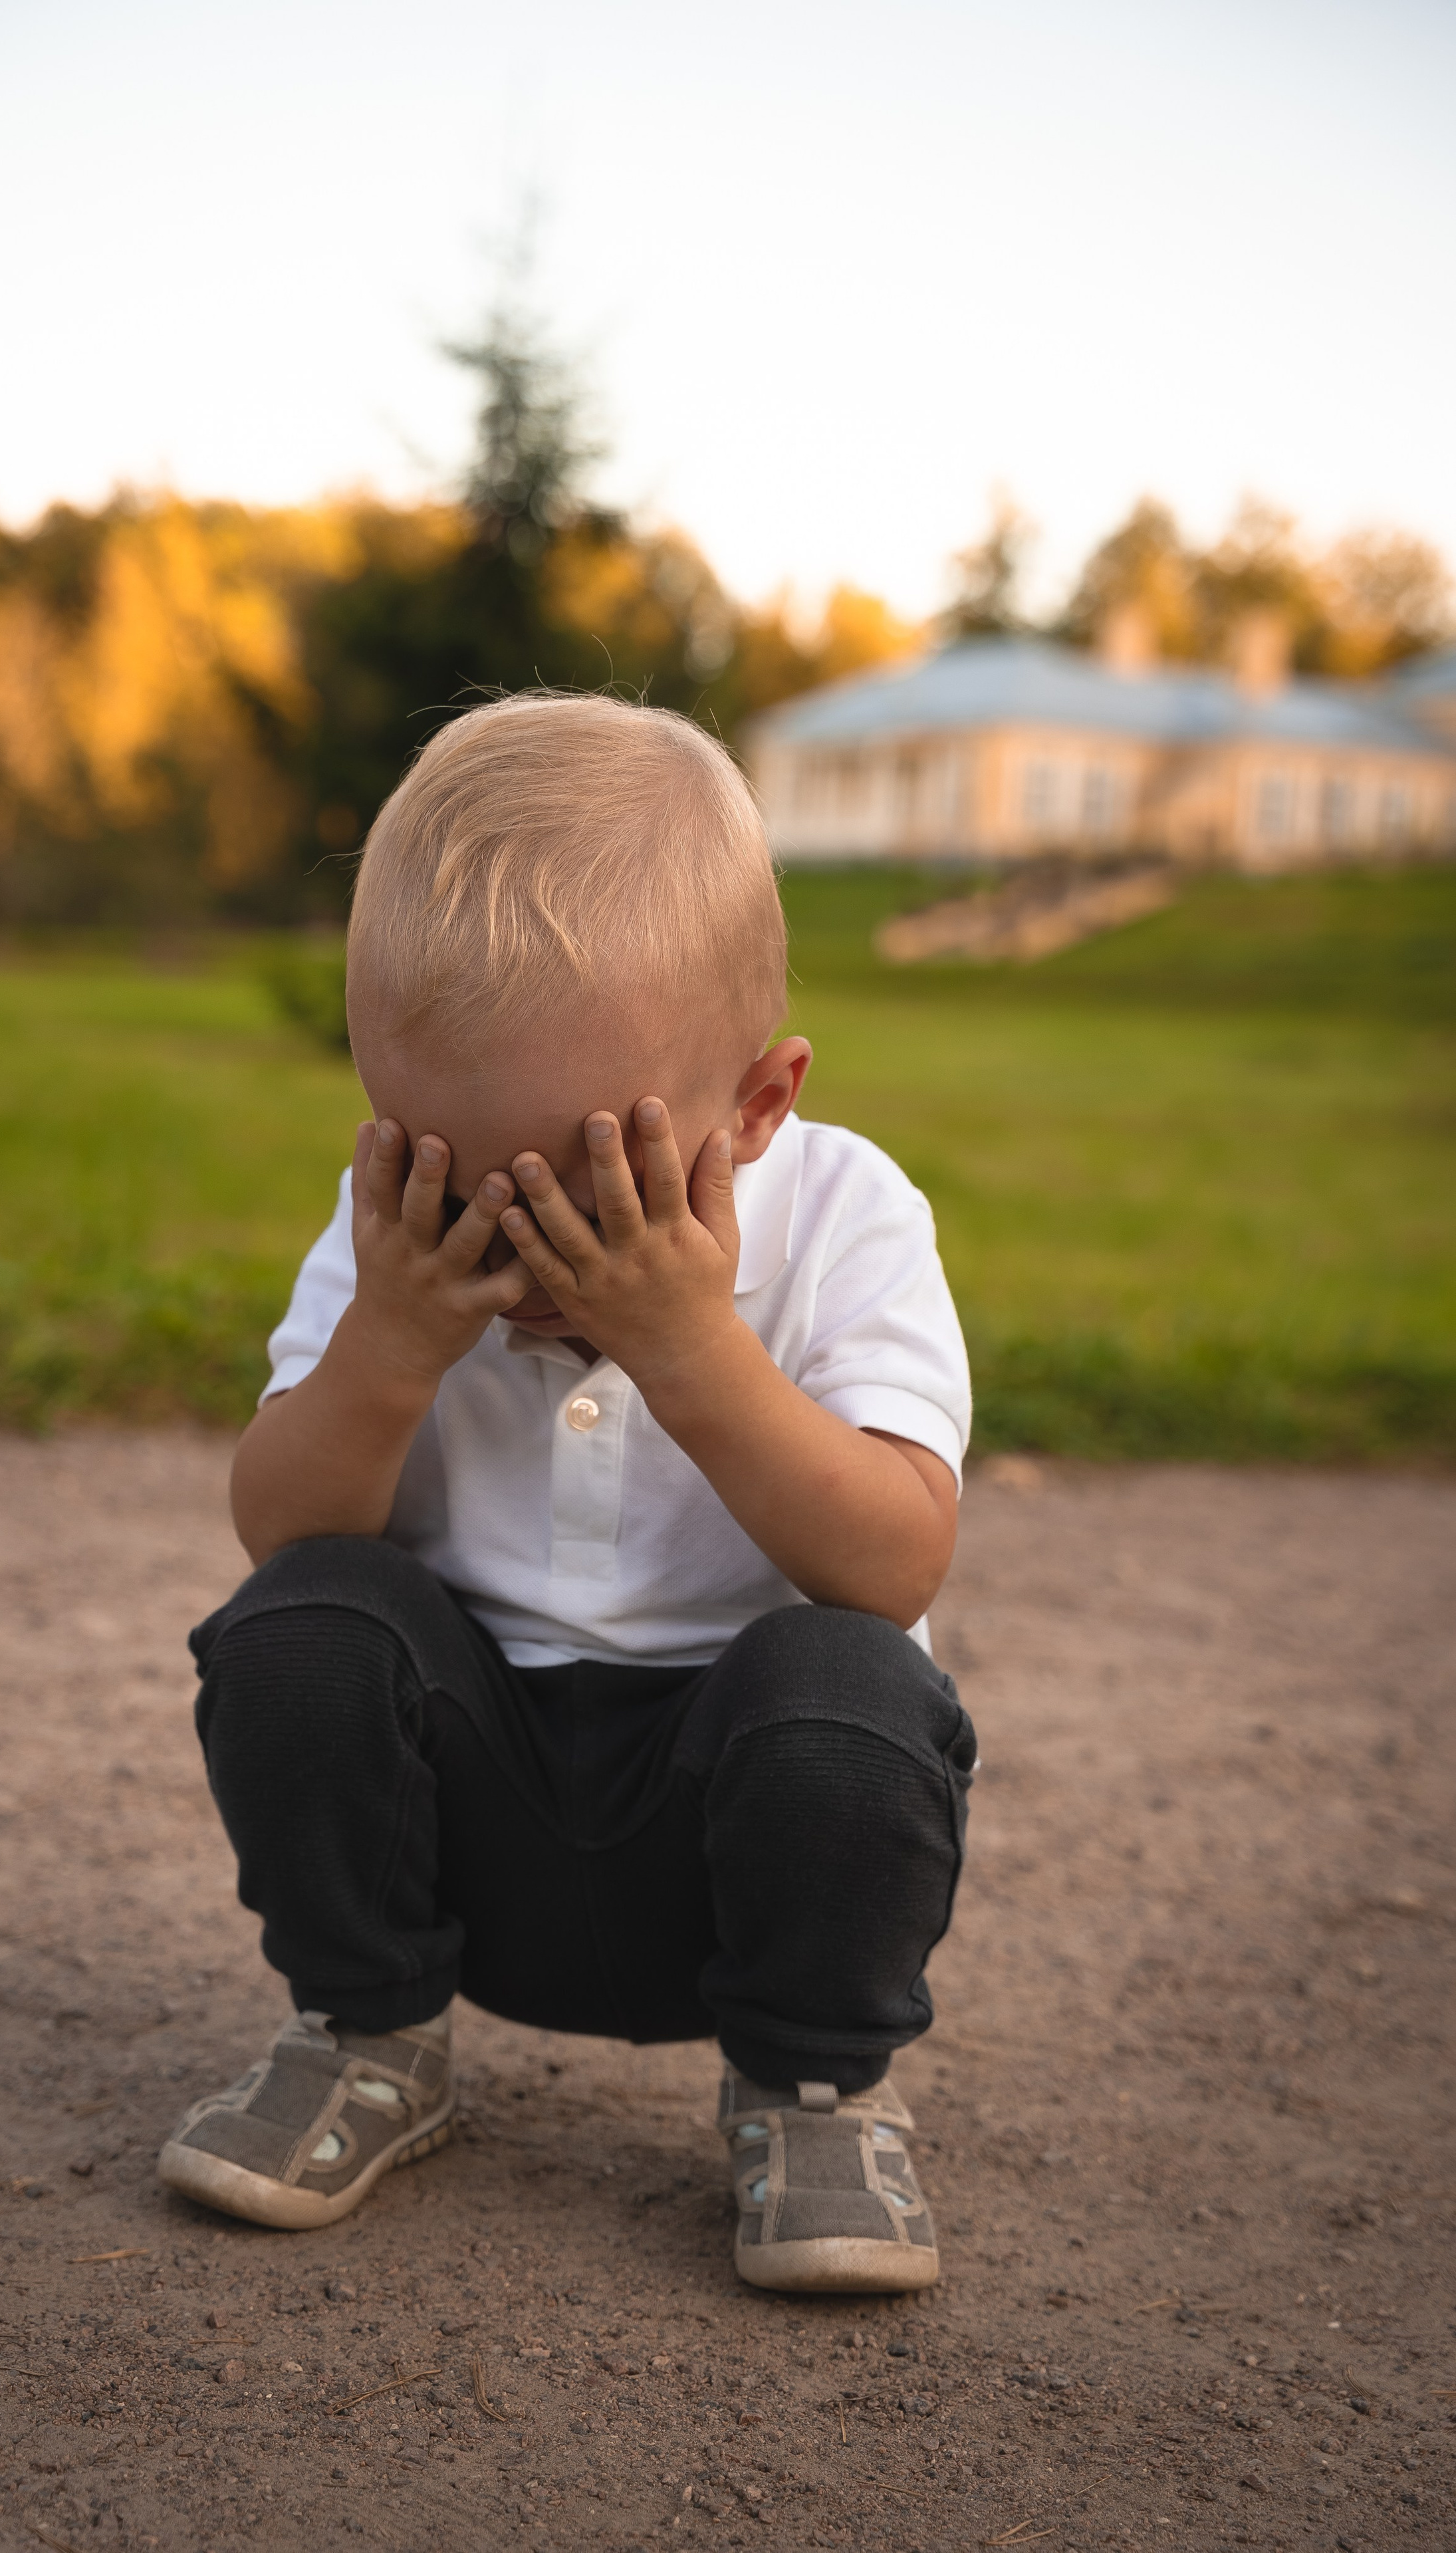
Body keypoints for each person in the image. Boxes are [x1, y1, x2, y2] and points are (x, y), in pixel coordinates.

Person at [158, 692, 977, 2294]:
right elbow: (279, 1528)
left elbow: (892, 1563)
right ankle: (367, 2035)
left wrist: (689, 1344)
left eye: (583, 1191)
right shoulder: (393, 1236)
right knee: (303, 1625)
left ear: (756, 1106)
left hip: (734, 1845)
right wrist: (390, 1342)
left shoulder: (849, 1219)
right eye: (457, 1181)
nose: (512, 1245)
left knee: (849, 1688)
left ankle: (811, 2091)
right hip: (466, 1830)